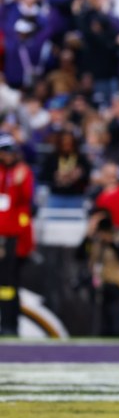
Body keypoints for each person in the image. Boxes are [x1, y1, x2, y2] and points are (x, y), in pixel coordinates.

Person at [0, 135, 33, 336]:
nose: (8, 155)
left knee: (9, 282)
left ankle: (10, 324)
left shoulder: (22, 172)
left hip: (13, 237)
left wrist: (20, 183)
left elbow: (26, 199)